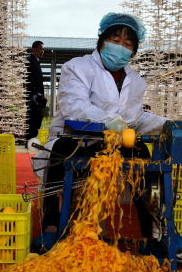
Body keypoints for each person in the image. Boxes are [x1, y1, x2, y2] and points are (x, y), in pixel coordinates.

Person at [34, 12, 169, 237]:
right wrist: (109, 121)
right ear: (102, 40)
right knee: (59, 155)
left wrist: (168, 124)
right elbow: (74, 105)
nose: (121, 47)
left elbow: (137, 118)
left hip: (114, 143)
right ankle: (52, 223)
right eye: (115, 40)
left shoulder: (135, 81)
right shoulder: (77, 67)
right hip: (76, 138)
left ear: (133, 51)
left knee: (145, 160)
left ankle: (154, 226)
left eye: (128, 44)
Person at [25, 40, 47, 146]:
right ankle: (29, 142)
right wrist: (35, 94)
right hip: (33, 98)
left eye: (43, 49)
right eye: (40, 49)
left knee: (37, 120)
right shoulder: (30, 60)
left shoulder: (36, 61)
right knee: (32, 120)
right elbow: (29, 79)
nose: (42, 51)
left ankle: (31, 141)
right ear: (34, 49)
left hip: (37, 97)